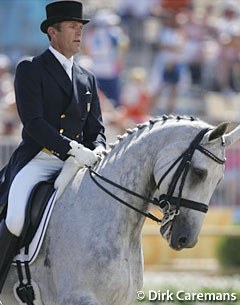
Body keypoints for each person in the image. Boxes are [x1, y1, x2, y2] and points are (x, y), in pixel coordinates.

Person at [0, 0, 106, 292]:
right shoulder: (30, 69)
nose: (79, 32)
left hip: (79, 163)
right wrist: (70, 147)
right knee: (17, 217)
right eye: (72, 26)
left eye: (81, 27)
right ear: (52, 32)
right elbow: (33, 123)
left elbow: (96, 128)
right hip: (40, 158)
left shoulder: (87, 77)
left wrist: (97, 148)